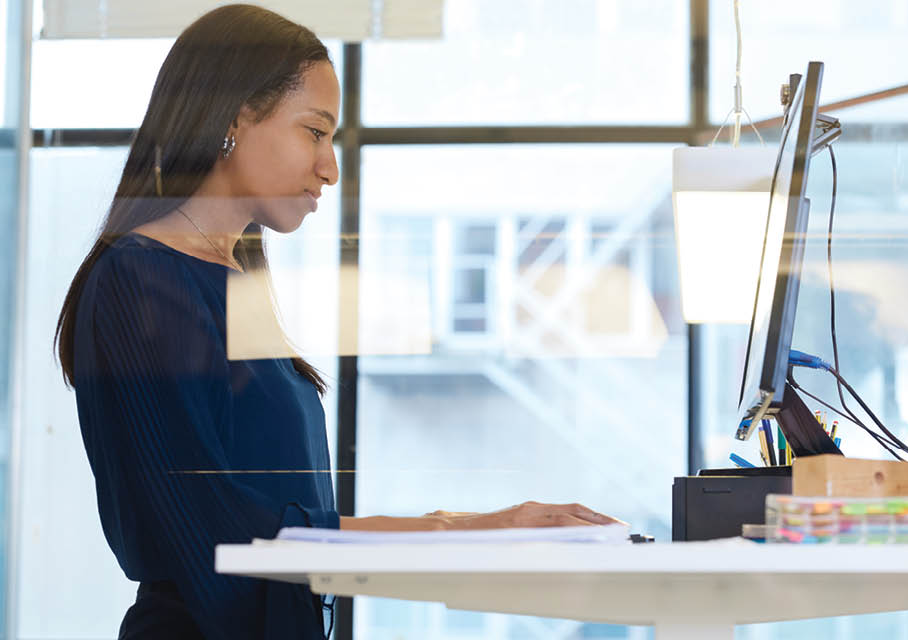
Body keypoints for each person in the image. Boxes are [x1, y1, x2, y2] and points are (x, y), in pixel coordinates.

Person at [53, 5, 622, 639]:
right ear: (236, 117)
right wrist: (460, 528)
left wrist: (477, 525)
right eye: (314, 132)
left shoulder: (234, 280)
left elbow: (283, 525)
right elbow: (225, 534)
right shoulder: (142, 281)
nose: (330, 167)